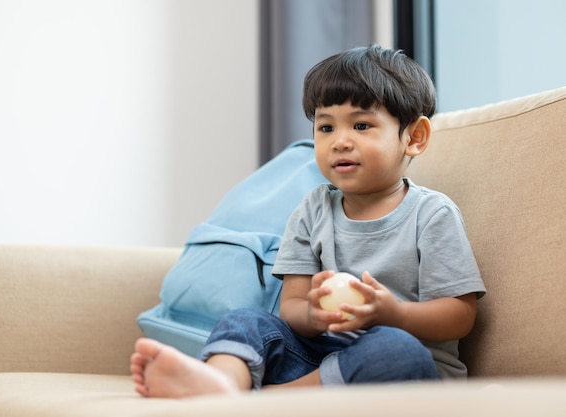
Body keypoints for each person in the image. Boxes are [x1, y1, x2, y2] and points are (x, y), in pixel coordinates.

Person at [130, 44, 486, 398]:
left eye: (361, 125)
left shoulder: (432, 214)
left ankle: (267, 399)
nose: (340, 142)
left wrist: (392, 314)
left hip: (402, 369)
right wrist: (313, 316)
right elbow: (292, 307)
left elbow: (460, 315)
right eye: (326, 127)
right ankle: (222, 385)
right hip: (321, 358)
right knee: (246, 320)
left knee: (395, 348)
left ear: (414, 137)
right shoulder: (312, 210)